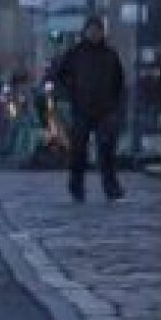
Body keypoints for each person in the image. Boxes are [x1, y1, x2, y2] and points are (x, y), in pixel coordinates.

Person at [50, 15, 128, 202]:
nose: (94, 34)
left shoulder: (110, 55)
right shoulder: (75, 53)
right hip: (82, 108)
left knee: (106, 150)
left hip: (106, 109)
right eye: (91, 30)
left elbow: (119, 81)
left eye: (98, 30)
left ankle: (111, 188)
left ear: (102, 33)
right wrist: (70, 93)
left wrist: (117, 105)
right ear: (85, 32)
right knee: (78, 152)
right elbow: (59, 75)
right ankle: (77, 187)